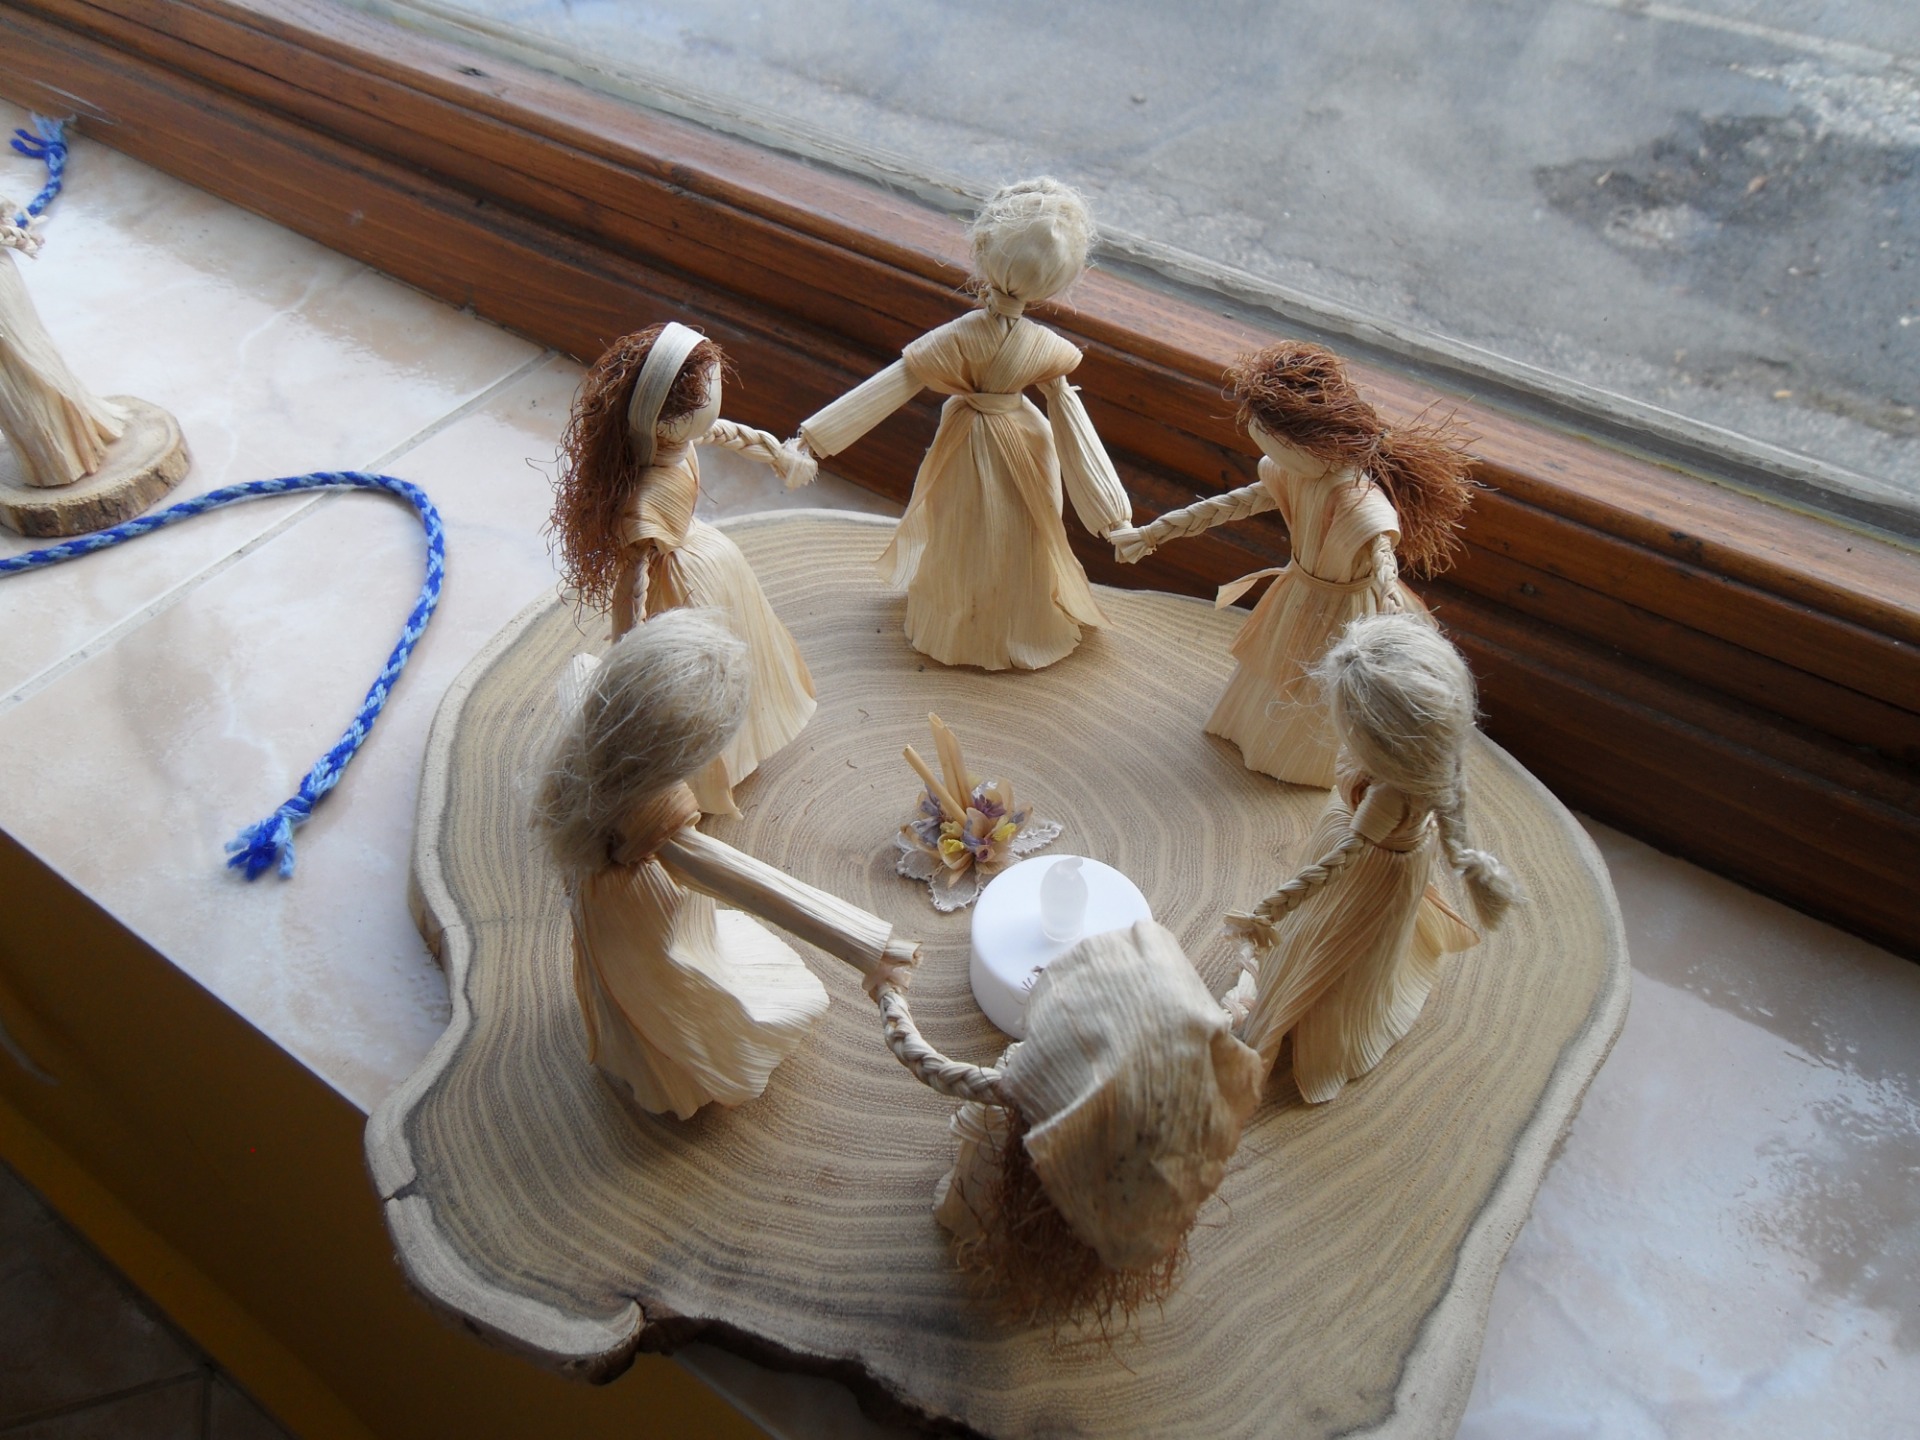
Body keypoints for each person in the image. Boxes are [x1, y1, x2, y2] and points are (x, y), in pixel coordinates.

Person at [791, 178, 1133, 671]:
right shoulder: (1045, 347)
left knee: (961, 530)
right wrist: (1112, 515)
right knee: (1023, 536)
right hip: (1027, 442)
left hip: (967, 441)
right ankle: (1018, 620)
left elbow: (895, 384)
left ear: (983, 247)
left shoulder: (961, 337)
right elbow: (1072, 425)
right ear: (1060, 277)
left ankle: (959, 620)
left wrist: (813, 440)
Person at [1110, 341, 1474, 788]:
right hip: (1298, 594)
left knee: (1318, 689)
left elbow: (1385, 567)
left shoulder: (1359, 502)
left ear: (1315, 443)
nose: (1264, 448)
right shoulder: (1297, 473)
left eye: (1272, 439)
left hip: (1346, 613)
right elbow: (1232, 504)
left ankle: (1301, 763)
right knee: (1274, 673)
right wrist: (1151, 534)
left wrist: (1394, 629)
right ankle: (1253, 733)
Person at [1223, 613, 1521, 1103]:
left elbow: (1338, 864)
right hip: (1378, 858)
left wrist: (1270, 910)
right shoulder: (1432, 770)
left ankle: (1322, 1016)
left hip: (1365, 877)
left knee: (1336, 946)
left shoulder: (1386, 799)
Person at [551, 320, 815, 815]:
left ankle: (746, 735)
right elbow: (635, 577)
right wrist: (632, 650)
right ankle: (700, 769)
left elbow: (727, 433)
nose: (714, 407)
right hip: (677, 594)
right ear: (663, 422)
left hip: (714, 563)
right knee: (692, 682)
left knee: (741, 653)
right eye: (704, 399)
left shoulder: (681, 442)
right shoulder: (644, 499)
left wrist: (780, 455)